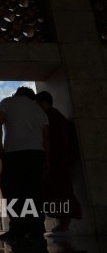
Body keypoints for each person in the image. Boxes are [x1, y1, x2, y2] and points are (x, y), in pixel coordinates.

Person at [0, 86, 49, 241]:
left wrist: (0, 148)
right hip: (37, 154)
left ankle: (18, 227)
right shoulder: (39, 110)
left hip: (15, 153)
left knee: (11, 190)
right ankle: (37, 228)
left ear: (17, 93)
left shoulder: (7, 102)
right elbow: (46, 137)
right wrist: (46, 159)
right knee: (34, 191)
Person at [35, 91, 82, 234]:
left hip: (57, 162)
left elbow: (53, 141)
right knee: (58, 193)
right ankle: (63, 224)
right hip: (59, 161)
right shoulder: (57, 117)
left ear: (43, 102)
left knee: (60, 193)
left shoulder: (51, 118)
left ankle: (64, 224)